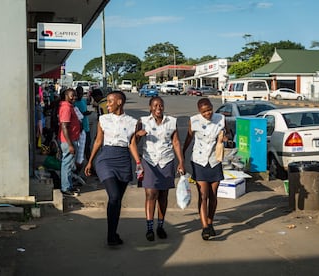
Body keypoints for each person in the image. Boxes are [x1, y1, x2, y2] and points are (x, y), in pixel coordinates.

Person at [84, 91, 140, 246]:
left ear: (119, 102)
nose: (107, 104)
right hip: (105, 159)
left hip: (123, 159)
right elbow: (97, 141)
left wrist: (138, 162)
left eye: (110, 101)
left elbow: (132, 144)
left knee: (117, 201)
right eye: (107, 101)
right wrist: (90, 161)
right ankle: (110, 236)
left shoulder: (132, 122)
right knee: (114, 196)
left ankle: (113, 233)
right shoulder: (103, 119)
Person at [131, 96, 185, 242]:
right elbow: (133, 142)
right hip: (149, 161)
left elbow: (176, 142)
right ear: (150, 107)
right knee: (150, 193)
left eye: (160, 105)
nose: (158, 108)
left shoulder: (171, 122)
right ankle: (149, 227)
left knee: (163, 195)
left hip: (167, 161)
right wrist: (138, 135)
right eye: (155, 106)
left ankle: (160, 225)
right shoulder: (143, 121)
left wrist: (181, 161)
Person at [183, 98, 226, 240]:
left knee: (213, 195)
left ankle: (210, 222)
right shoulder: (194, 120)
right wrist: (182, 154)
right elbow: (189, 138)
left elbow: (227, 133)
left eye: (209, 110)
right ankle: (205, 227)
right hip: (199, 161)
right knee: (203, 194)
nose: (207, 113)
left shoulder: (221, 118)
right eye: (204, 111)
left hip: (214, 160)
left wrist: (225, 138)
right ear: (199, 111)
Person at [58, 88, 81, 196]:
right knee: (67, 164)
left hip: (72, 139)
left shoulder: (69, 107)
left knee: (69, 164)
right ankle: (65, 187)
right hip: (68, 141)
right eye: (72, 95)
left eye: (75, 95)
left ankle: (69, 185)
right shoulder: (66, 108)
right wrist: (70, 144)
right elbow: (64, 126)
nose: (74, 97)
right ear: (66, 96)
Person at [74, 86, 92, 168]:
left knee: (87, 146)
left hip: (86, 126)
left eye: (81, 93)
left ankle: (89, 164)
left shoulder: (84, 101)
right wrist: (84, 113)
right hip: (78, 128)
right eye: (78, 93)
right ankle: (79, 165)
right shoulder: (74, 103)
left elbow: (89, 102)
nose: (80, 95)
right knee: (80, 148)